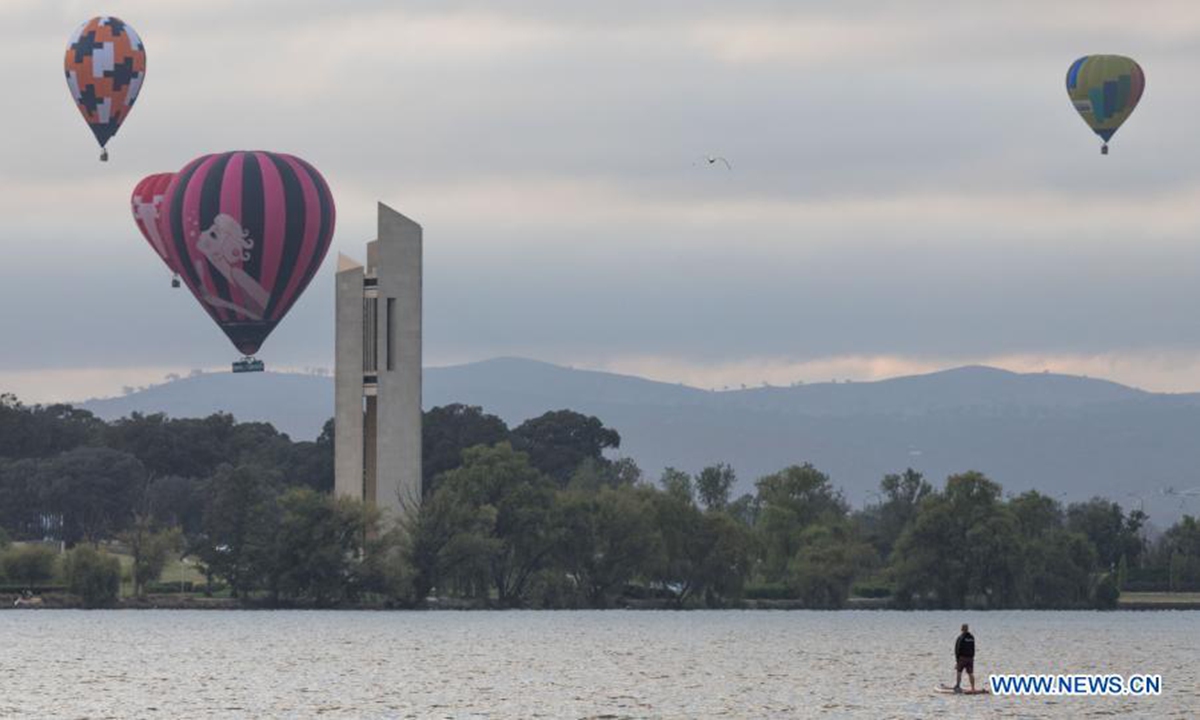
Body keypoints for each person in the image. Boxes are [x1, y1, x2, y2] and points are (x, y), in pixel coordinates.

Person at [954, 623, 976, 692]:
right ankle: (973, 688)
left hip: (962, 658)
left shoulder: (960, 637)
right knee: (970, 673)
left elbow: (957, 649)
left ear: (962, 629)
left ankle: (958, 686)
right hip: (970, 658)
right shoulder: (972, 637)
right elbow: (973, 648)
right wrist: (972, 657)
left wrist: (957, 661)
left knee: (959, 672)